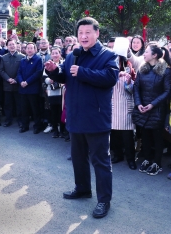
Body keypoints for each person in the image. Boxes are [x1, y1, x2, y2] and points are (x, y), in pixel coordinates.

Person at [45, 17, 119, 219]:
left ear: (97, 33)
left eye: (88, 32)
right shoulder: (73, 55)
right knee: (78, 158)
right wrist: (53, 71)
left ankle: (104, 200)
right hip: (75, 115)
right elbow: (66, 76)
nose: (84, 36)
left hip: (96, 118)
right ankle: (83, 188)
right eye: (80, 33)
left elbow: (110, 78)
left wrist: (83, 72)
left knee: (101, 161)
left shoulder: (108, 55)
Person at [133, 44, 171, 176]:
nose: (144, 54)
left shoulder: (166, 70)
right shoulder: (141, 69)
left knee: (157, 137)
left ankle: (157, 162)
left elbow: (167, 91)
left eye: (147, 52)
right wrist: (138, 104)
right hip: (142, 108)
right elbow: (136, 88)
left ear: (154, 55)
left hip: (157, 109)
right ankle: (148, 159)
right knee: (145, 135)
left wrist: (152, 104)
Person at [110, 56, 137, 170]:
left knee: (127, 136)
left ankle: (131, 159)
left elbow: (132, 90)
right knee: (114, 134)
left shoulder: (128, 70)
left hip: (125, 106)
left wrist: (129, 81)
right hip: (112, 105)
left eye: (118, 61)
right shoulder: (108, 71)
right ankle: (117, 155)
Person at [17, 42, 43, 134]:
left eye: (31, 48)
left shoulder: (38, 59)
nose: (29, 50)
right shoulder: (23, 60)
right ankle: (25, 126)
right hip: (23, 89)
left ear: (35, 49)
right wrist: (21, 82)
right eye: (28, 48)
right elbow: (19, 72)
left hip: (33, 89)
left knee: (35, 109)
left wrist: (27, 82)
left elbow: (38, 73)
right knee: (24, 109)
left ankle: (37, 126)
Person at [0, 39, 25, 127]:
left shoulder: (22, 57)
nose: (12, 46)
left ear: (16, 45)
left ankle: (20, 120)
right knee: (8, 104)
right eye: (10, 45)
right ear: (7, 46)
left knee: (19, 104)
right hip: (7, 85)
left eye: (13, 44)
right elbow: (1, 70)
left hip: (18, 84)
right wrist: (8, 79)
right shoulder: (3, 57)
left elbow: (22, 71)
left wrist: (16, 79)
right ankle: (8, 120)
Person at [42, 46, 65, 138]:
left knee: (62, 111)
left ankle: (62, 130)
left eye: (57, 53)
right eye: (53, 53)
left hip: (62, 92)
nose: (55, 55)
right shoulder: (48, 64)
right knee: (54, 112)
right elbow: (44, 78)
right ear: (50, 54)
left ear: (60, 54)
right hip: (52, 91)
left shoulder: (63, 63)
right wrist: (49, 80)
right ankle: (55, 130)